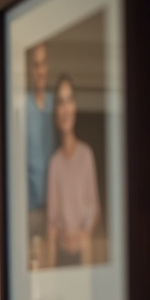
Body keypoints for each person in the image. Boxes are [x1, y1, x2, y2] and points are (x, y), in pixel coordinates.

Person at [45, 74, 102, 267]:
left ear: (75, 107)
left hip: (82, 255)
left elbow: (94, 209)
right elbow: (52, 221)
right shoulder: (54, 163)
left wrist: (81, 234)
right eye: (61, 102)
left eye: (69, 100)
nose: (65, 108)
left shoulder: (86, 155)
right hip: (61, 256)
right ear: (56, 111)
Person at [26, 42, 56, 265]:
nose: (40, 70)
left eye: (43, 63)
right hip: (29, 207)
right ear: (30, 69)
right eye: (36, 65)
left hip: (53, 208)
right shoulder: (23, 106)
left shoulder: (56, 105)